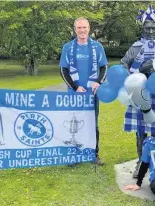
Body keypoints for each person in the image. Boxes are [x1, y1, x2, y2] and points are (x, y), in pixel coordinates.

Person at [121, 5, 155, 178]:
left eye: (153, 27)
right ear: (142, 28)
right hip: (140, 94)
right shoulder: (136, 47)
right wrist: (136, 73)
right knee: (141, 129)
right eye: (147, 27)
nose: (150, 31)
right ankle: (141, 161)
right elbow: (124, 64)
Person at [59, 17, 108, 166]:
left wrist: (98, 82)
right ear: (75, 30)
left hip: (92, 94)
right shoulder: (67, 47)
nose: (82, 30)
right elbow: (63, 70)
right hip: (75, 94)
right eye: (79, 28)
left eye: (84, 27)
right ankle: (74, 155)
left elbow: (104, 67)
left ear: (89, 28)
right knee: (74, 123)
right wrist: (75, 87)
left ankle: (94, 154)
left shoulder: (97, 47)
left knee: (93, 124)